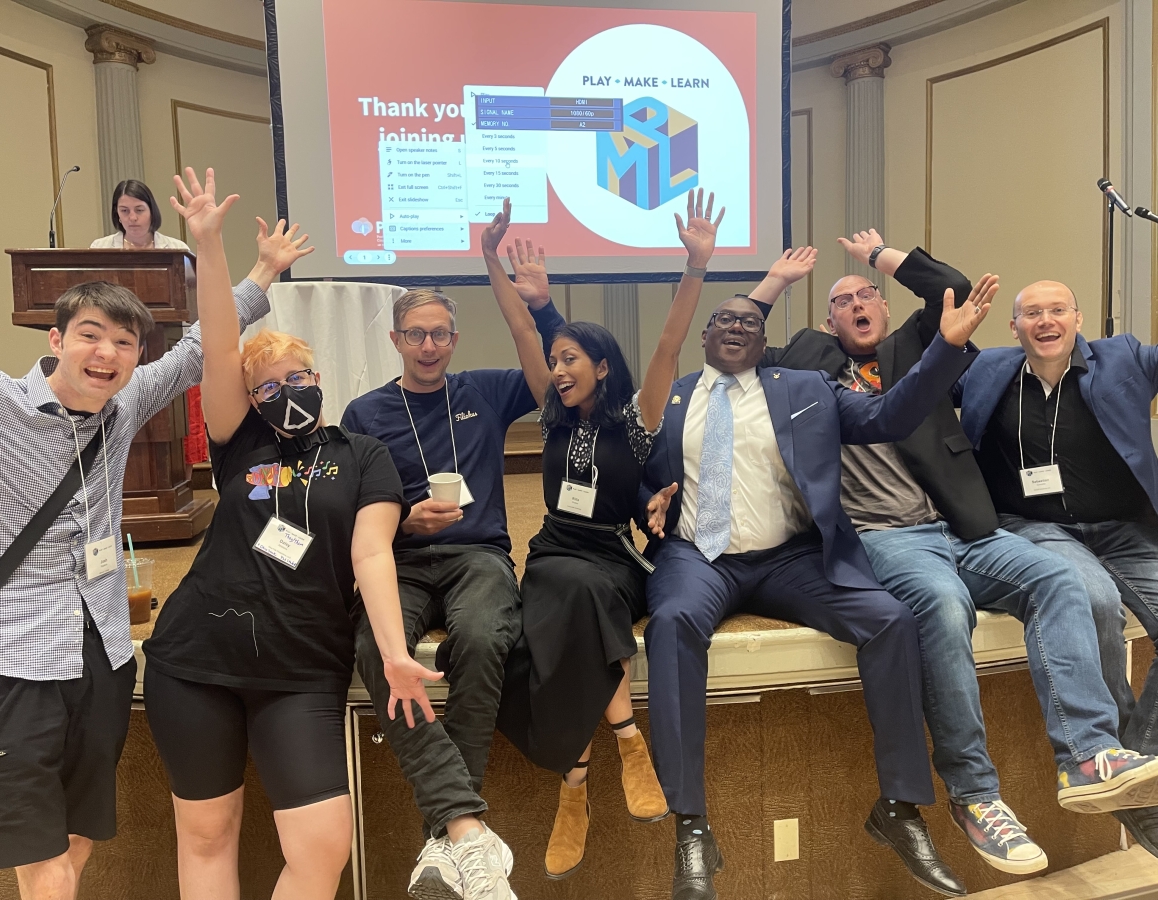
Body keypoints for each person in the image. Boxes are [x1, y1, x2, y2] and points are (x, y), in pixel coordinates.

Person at [762, 231, 1158, 879]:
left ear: (886, 310)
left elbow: (952, 285)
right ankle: (976, 797)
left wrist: (881, 256)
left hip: (956, 527)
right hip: (883, 539)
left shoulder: (919, 348)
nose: (859, 303)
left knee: (1059, 580)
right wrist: (775, 283)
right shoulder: (806, 372)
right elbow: (735, 343)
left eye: (868, 296)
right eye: (843, 301)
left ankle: (1088, 756)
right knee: (942, 609)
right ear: (828, 320)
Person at [0, 166, 306, 900]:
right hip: (7, 653)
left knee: (81, 831)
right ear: (55, 338)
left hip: (102, 650)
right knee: (37, 847)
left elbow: (196, 349)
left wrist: (260, 272)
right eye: (91, 335)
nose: (107, 353)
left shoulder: (124, 403)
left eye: (123, 341)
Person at [641, 268, 995, 900]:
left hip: (788, 557)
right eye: (726, 319)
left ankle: (900, 808)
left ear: (764, 340)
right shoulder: (675, 394)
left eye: (750, 322)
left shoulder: (807, 387)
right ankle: (691, 826)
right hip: (700, 556)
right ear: (704, 335)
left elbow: (890, 415)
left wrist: (944, 348)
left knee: (890, 620)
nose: (738, 327)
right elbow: (638, 471)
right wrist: (649, 496)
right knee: (670, 626)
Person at [141, 167, 440, 900]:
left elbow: (370, 552)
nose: (286, 392)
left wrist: (397, 654)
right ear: (251, 399)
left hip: (301, 669)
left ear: (320, 377)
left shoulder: (363, 455)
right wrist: (208, 247)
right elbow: (216, 344)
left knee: (319, 847)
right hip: (196, 660)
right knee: (207, 839)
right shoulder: (241, 443)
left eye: (296, 375)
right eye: (267, 385)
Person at [486, 192, 752, 880]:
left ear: (601, 368)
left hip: (609, 552)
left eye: (573, 358)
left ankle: (574, 785)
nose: (560, 367)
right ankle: (622, 740)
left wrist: (696, 267)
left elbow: (667, 342)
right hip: (550, 550)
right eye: (557, 358)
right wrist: (488, 259)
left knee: (584, 599)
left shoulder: (635, 421)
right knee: (561, 605)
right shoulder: (550, 416)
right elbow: (520, 329)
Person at [340, 261, 565, 899]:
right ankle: (467, 835)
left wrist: (541, 308)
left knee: (486, 637)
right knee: (372, 648)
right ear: (396, 340)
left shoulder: (485, 391)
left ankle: (446, 838)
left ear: (455, 338)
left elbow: (554, 371)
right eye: (416, 334)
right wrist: (405, 522)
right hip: (402, 558)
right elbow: (359, 516)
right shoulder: (366, 411)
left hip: (478, 554)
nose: (429, 346)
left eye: (440, 333)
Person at [955, 278, 1158, 857]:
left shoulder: (1124, 358)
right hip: (1035, 525)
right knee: (1090, 597)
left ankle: (1133, 755)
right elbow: (910, 389)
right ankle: (1104, 763)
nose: (1046, 321)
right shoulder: (986, 370)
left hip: (1123, 527)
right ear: (1013, 327)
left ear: (1078, 318)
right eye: (1032, 313)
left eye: (1057, 310)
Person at [91, 179, 191, 250]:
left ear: (151, 211)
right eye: (124, 211)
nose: (133, 218)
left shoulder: (177, 248)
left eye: (139, 210)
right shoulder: (100, 247)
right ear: (117, 214)